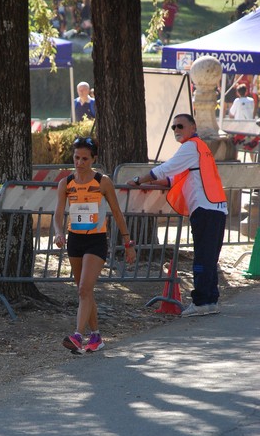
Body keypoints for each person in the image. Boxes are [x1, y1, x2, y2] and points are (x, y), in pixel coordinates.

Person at [126, 113, 228, 318]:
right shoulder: (200, 149)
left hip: (205, 208)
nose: (176, 130)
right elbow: (173, 178)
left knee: (202, 257)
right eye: (173, 127)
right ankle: (210, 300)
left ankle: (201, 302)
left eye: (180, 126)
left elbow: (166, 169)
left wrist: (139, 179)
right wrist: (149, 182)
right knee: (209, 257)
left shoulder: (190, 146)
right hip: (216, 207)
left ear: (193, 127)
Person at [54, 136, 136, 354]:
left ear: (93, 159)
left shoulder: (102, 181)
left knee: (83, 288)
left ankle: (78, 336)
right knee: (85, 292)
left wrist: (128, 243)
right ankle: (96, 336)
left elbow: (117, 213)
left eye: (85, 159)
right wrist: (59, 232)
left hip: (96, 240)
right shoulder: (66, 183)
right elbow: (58, 213)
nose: (80, 163)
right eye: (76, 158)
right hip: (75, 240)